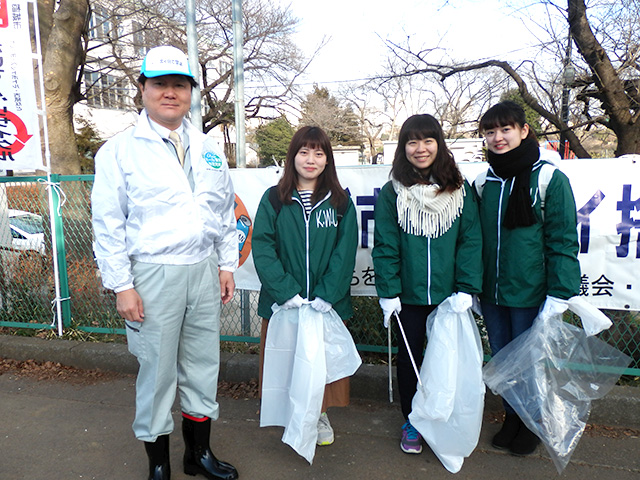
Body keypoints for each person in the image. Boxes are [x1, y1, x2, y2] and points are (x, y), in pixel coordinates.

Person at [92, 45, 239, 480]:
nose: (170, 93)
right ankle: (159, 464)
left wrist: (226, 264)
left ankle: (199, 455)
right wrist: (122, 285)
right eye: (160, 84)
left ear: (192, 92)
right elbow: (107, 223)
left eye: (180, 85)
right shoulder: (119, 151)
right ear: (142, 89)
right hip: (151, 273)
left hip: (202, 269)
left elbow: (224, 211)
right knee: (156, 373)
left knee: (202, 365)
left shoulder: (209, 148)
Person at [372, 114, 483, 455]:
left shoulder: (460, 191)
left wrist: (466, 287)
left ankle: (443, 419)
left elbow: (470, 241)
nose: (420, 149)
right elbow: (386, 245)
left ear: (439, 144)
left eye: (427, 140)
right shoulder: (394, 193)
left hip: (449, 297)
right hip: (408, 297)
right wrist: (388, 291)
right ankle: (413, 420)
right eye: (412, 142)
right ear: (403, 148)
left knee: (446, 360)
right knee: (410, 361)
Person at [475, 100, 580, 456]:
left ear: (523, 130)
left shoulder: (549, 178)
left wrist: (560, 293)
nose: (498, 137)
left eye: (505, 129)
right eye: (490, 131)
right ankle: (511, 417)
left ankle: (533, 423)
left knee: (532, 363)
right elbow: (475, 240)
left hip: (532, 292)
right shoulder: (482, 181)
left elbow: (563, 239)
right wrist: (473, 285)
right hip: (492, 292)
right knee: (503, 361)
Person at [252, 126, 358, 447]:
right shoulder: (274, 198)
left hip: (325, 305)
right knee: (286, 360)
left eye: (318, 153)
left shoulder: (340, 202)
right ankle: (288, 412)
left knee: (321, 364)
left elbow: (345, 252)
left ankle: (319, 414)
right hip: (284, 304)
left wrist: (328, 294)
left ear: (328, 160)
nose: (310, 159)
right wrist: (285, 292)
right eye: (304, 152)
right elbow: (262, 246)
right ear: (292, 156)